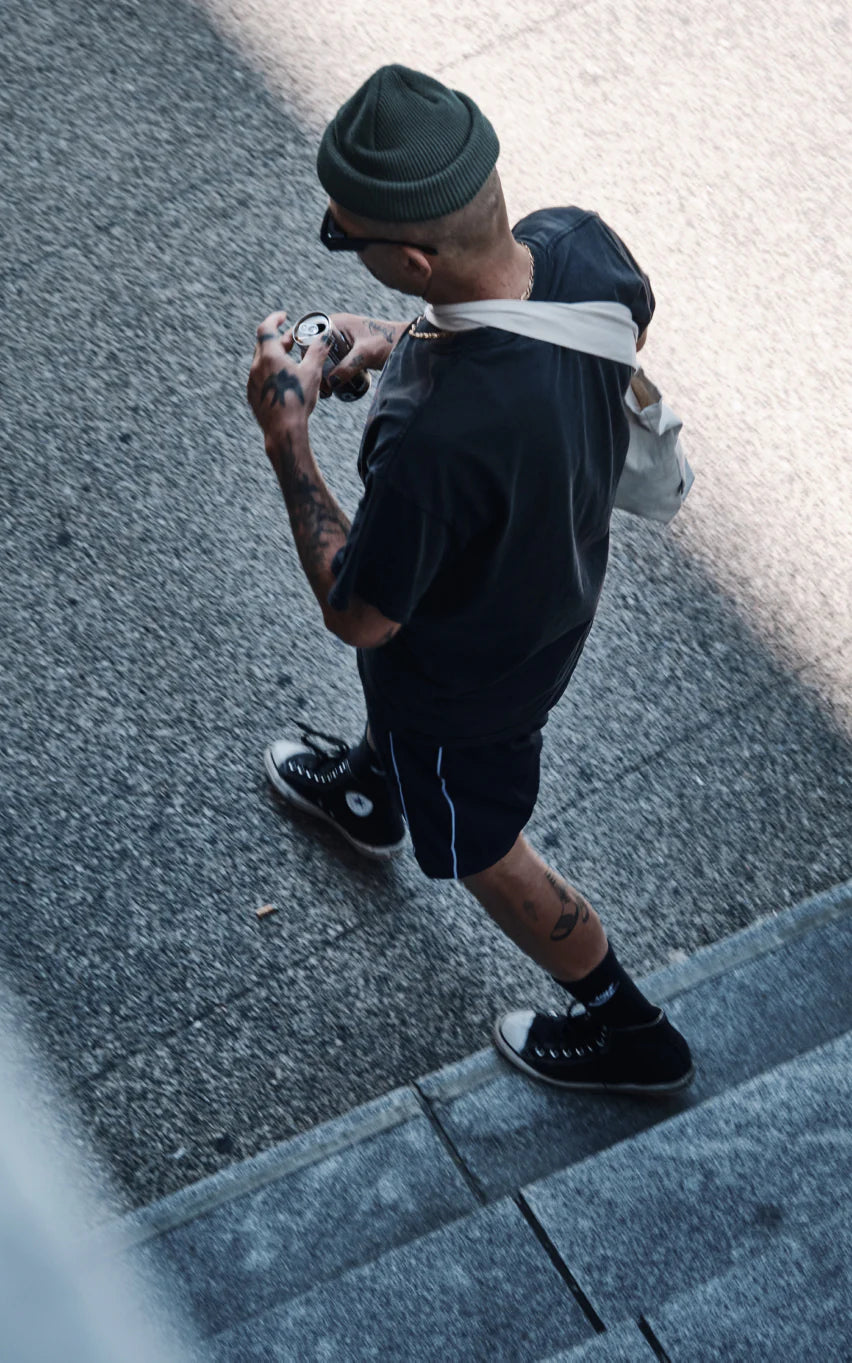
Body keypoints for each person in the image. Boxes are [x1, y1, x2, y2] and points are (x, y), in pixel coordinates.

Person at [245, 64, 693, 1094]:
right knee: (403, 729)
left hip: (468, 677)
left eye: (340, 233)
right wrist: (395, 335)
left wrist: (287, 439)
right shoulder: (577, 242)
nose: (336, 236)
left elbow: (360, 612)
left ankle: (630, 1030)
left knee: (485, 840)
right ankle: (372, 787)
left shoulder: (429, 441)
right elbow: (533, 346)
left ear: (407, 254)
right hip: (546, 585)